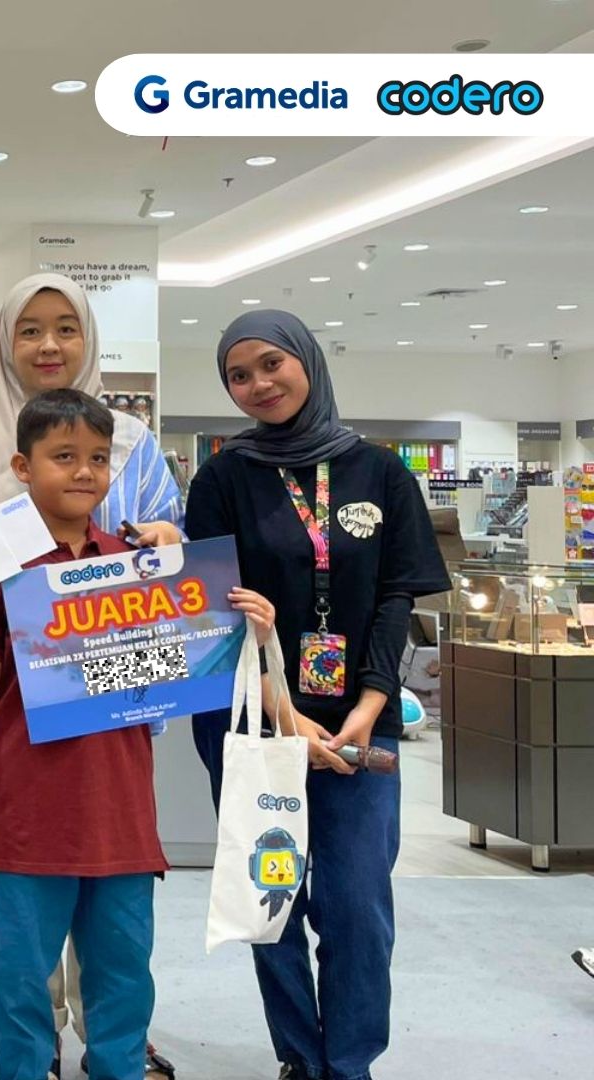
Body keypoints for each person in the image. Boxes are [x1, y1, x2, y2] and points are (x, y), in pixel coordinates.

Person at [0, 390, 276, 1080]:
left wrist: (248, 626)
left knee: (123, 980)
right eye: (64, 457)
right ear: (23, 467)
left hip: (121, 816)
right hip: (26, 816)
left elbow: (197, 654)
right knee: (17, 980)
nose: (84, 472)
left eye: (98, 459)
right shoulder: (4, 572)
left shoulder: (143, 566)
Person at [0, 273, 182, 1079]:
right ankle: (35, 1045)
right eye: (30, 329)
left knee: (117, 919)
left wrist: (169, 545)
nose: (50, 345)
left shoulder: (132, 442)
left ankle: (113, 1044)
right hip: (8, 712)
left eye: (67, 327)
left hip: (115, 721)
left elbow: (175, 569)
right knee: (24, 910)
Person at [186, 311, 448, 1080]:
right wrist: (288, 717)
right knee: (272, 901)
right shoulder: (223, 479)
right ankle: (301, 1055)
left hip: (359, 726)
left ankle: (351, 1062)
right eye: (239, 375)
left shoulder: (378, 471)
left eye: (272, 364)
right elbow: (212, 613)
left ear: (307, 360)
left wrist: (368, 708)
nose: (259, 384)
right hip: (253, 720)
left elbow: (397, 597)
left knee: (358, 904)